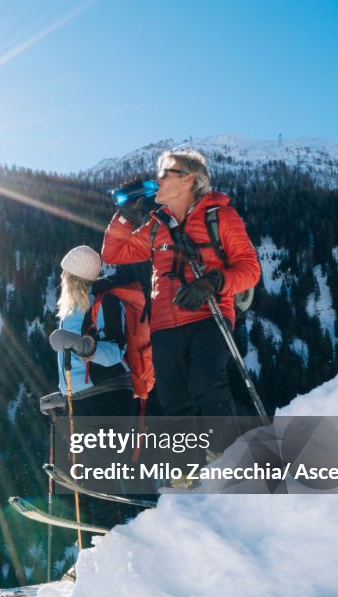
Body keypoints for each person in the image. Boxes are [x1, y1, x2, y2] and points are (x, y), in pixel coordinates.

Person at [101, 149, 260, 458]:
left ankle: (228, 458)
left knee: (207, 384)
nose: (156, 180)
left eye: (165, 174)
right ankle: (188, 473)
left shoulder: (220, 216)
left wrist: (213, 282)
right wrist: (124, 217)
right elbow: (113, 254)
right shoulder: (156, 225)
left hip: (210, 317)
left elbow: (250, 270)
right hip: (162, 325)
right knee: (174, 401)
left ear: (189, 179)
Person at [47, 245, 142, 533]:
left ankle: (110, 547)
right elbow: (73, 367)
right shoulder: (71, 312)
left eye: (65, 273)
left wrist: (82, 346)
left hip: (108, 397)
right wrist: (60, 396)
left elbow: (116, 352)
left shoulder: (106, 303)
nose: (62, 277)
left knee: (97, 479)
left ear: (74, 278)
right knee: (85, 482)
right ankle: (95, 555)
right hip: (83, 399)